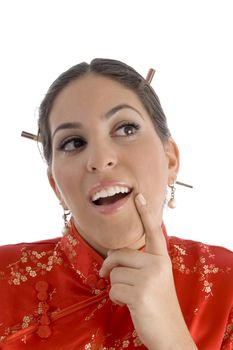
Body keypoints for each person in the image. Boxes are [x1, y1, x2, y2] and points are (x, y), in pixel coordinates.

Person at [0, 59, 232, 350]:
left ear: (170, 159)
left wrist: (172, 338)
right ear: (55, 186)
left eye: (125, 129)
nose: (100, 159)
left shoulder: (227, 285)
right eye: (73, 143)